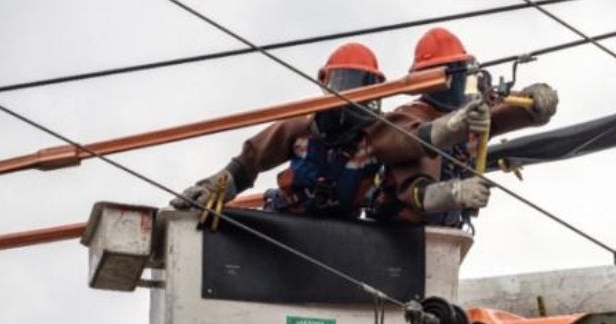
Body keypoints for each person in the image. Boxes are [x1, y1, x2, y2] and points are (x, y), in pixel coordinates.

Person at [169, 41, 499, 219]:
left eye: (364, 87)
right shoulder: (302, 127)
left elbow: (412, 139)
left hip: (344, 227)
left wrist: (454, 127)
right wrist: (219, 185)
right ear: (326, 83)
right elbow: (251, 159)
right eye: (347, 84)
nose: (353, 96)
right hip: (290, 216)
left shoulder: (373, 137)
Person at [363, 27, 558, 226]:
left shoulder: (472, 110)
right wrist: (455, 192)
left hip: (448, 234)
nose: (462, 83)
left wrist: (535, 101)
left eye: (465, 74)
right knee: (420, 153)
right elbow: (411, 158)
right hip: (397, 233)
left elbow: (504, 109)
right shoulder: (409, 115)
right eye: (458, 75)